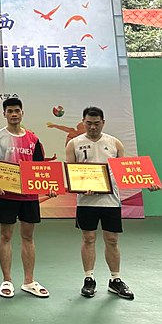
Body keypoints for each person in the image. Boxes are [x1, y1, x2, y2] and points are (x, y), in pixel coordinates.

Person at [65, 106, 159, 300]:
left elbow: (125, 172)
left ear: (103, 123)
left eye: (96, 123)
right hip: (86, 201)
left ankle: (115, 280)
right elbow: (70, 173)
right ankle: (89, 279)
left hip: (111, 200)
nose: (92, 127)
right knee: (88, 238)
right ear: (83, 122)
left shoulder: (114, 143)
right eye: (89, 123)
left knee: (112, 240)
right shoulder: (74, 144)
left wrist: (146, 182)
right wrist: (81, 187)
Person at [0, 97, 49, 299]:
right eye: (10, 111)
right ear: (4, 114)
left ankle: (29, 281)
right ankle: (7, 280)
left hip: (29, 197)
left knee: (28, 237)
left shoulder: (34, 139)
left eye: (17, 110)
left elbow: (40, 169)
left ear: (22, 113)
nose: (14, 114)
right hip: (6, 195)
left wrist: (48, 186)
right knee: (5, 236)